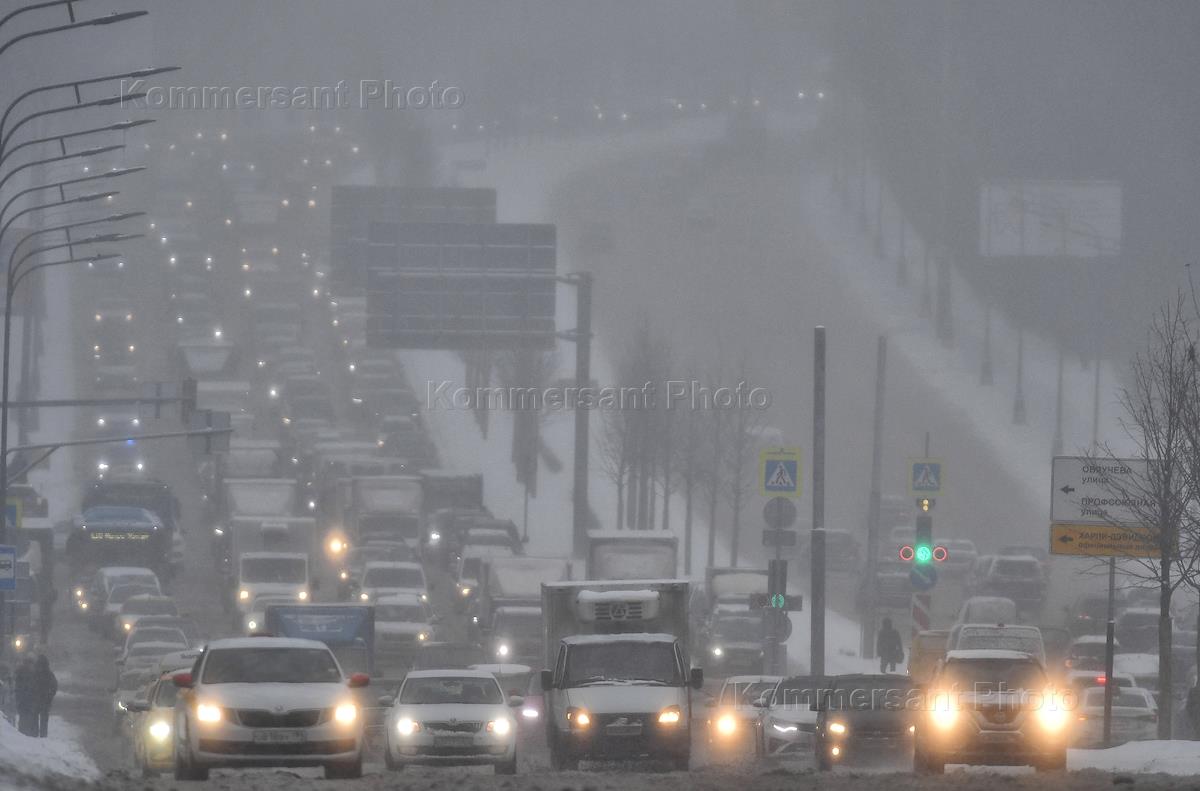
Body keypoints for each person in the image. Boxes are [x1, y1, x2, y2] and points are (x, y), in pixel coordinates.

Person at [30, 654, 56, 738]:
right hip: (45, 700)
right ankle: (43, 736)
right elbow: (54, 686)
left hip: (37, 699)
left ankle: (35, 735)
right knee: (43, 719)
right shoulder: (49, 674)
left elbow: (30, 686)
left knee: (35, 718)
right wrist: (50, 695)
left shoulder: (34, 673)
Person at [13, 657, 35, 736]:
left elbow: (17, 685)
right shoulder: (31, 673)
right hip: (27, 698)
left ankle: (21, 732)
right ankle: (26, 732)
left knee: (23, 716)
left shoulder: (20, 671)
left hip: (22, 698)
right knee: (26, 716)